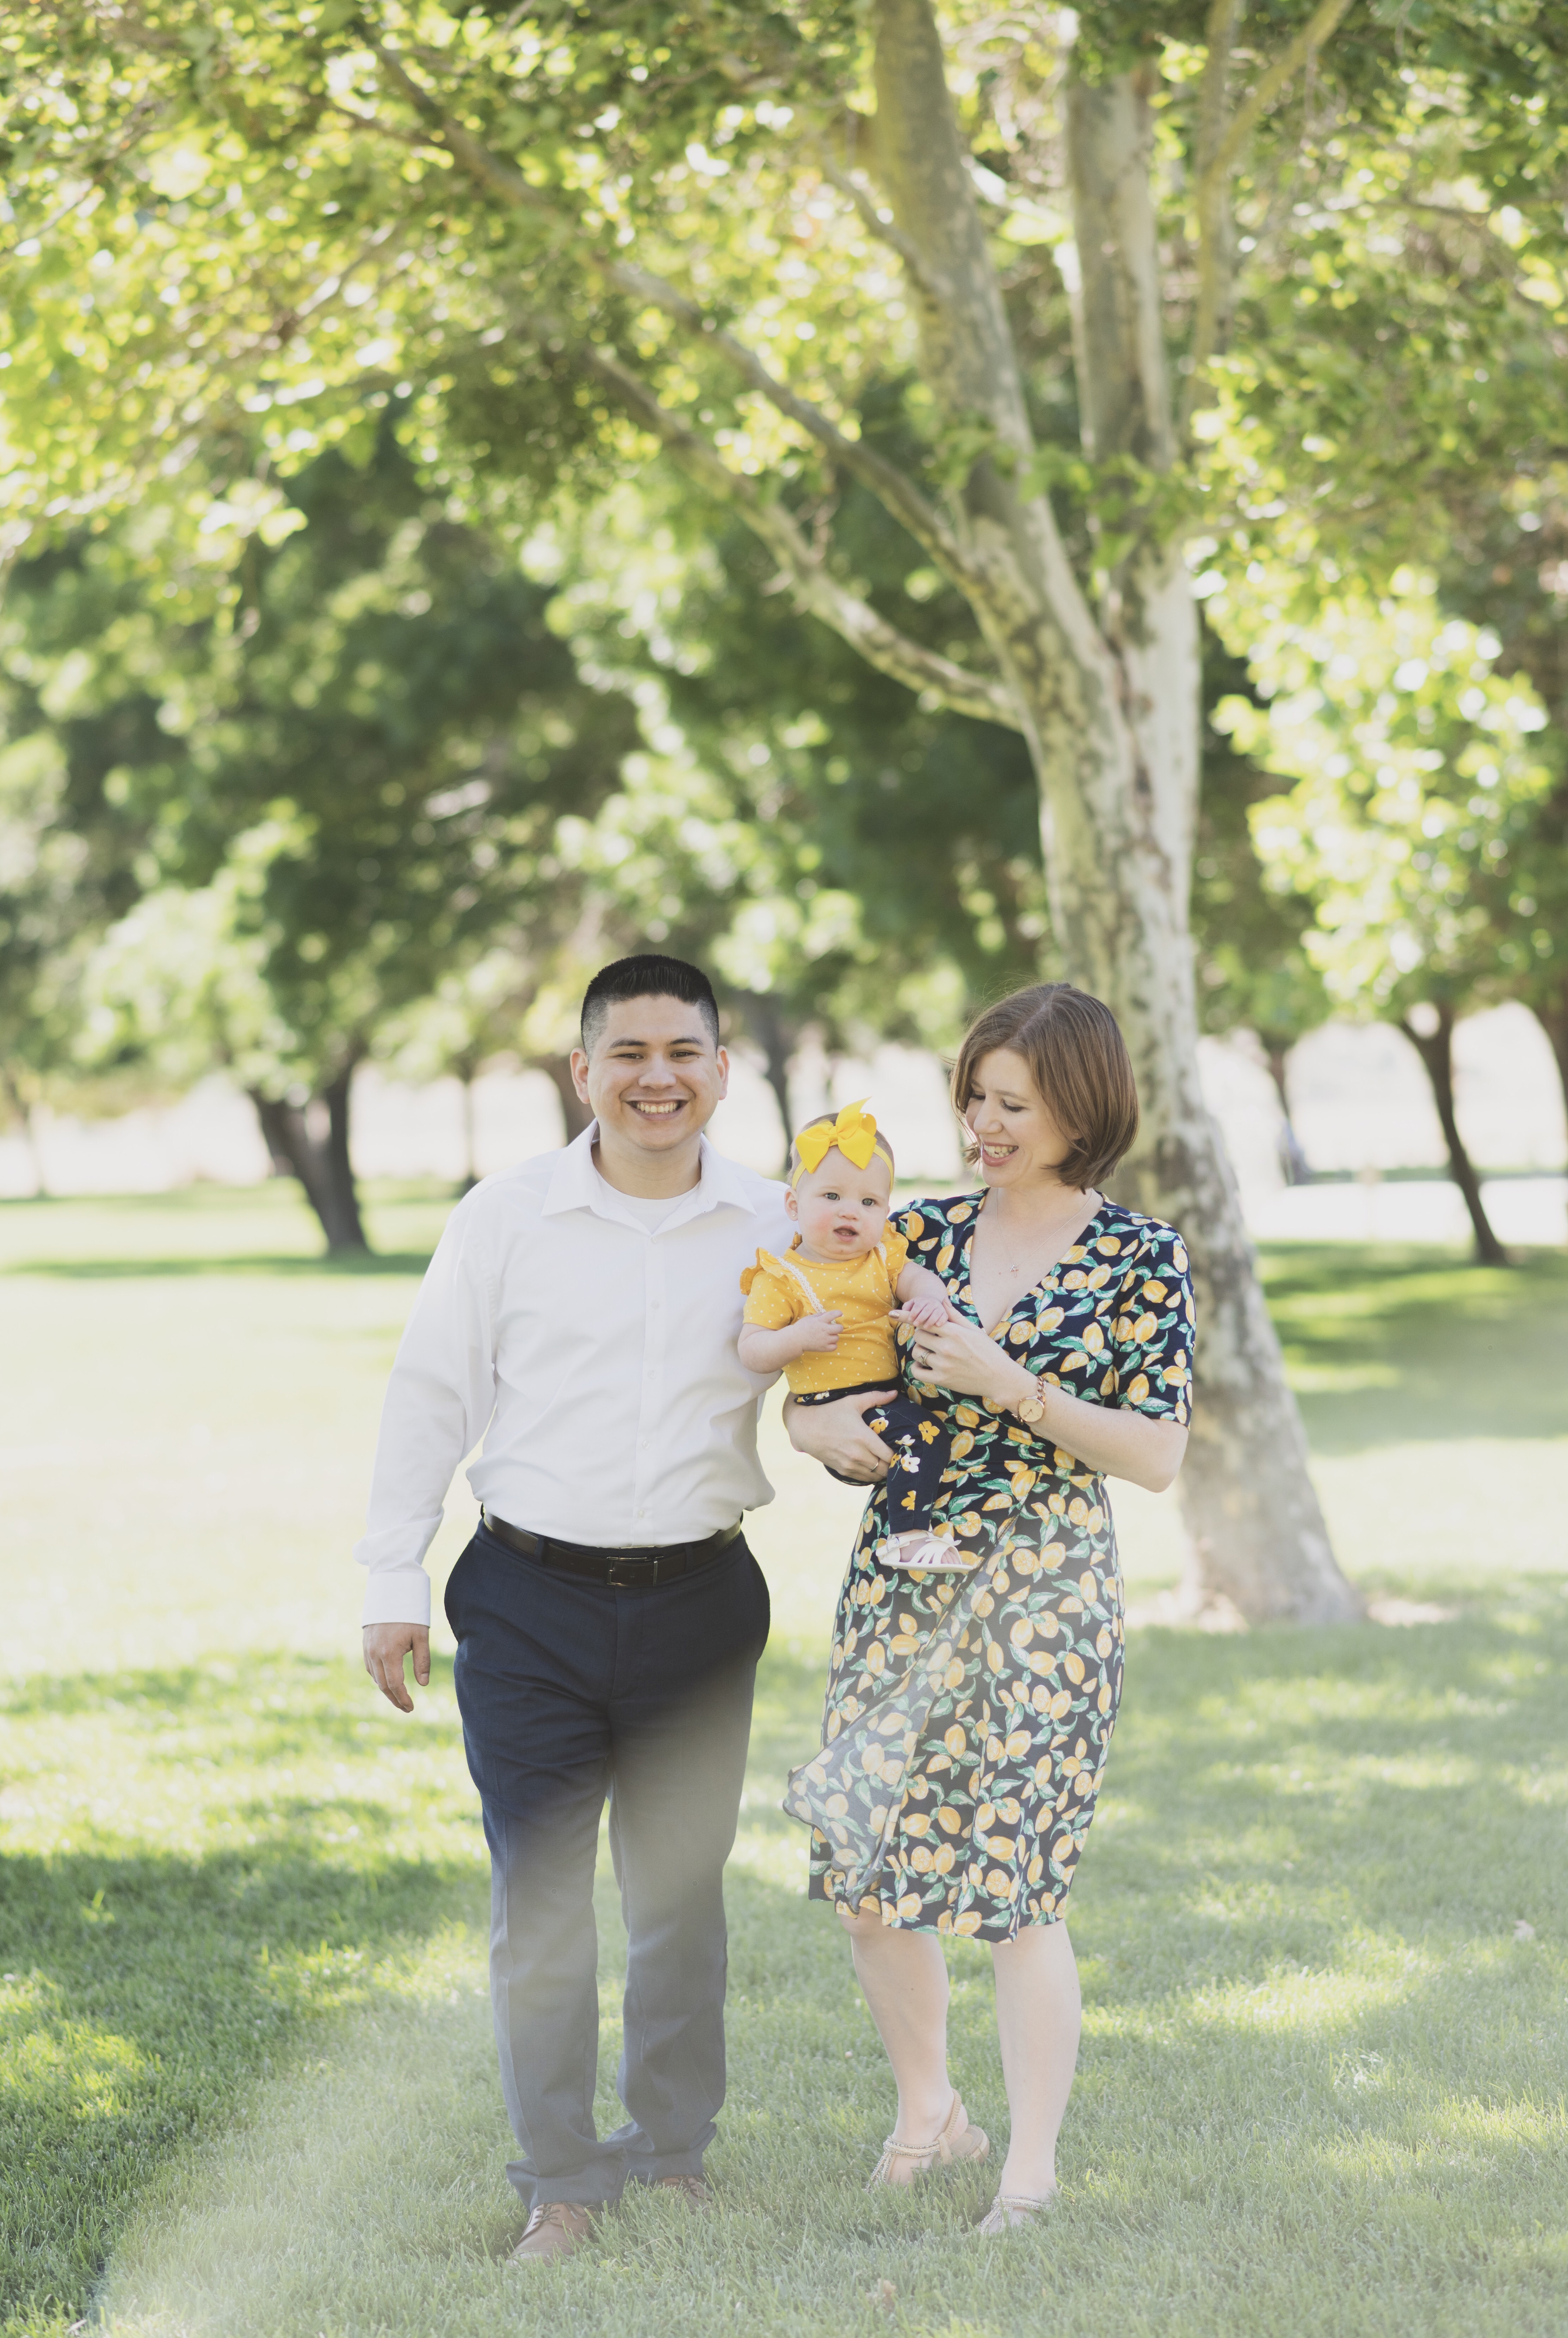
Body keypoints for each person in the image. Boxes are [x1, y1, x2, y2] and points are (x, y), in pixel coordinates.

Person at [357, 953, 791, 2263]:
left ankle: (670, 2158)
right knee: (538, 1899)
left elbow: (846, 1367)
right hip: (527, 1600)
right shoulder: (507, 1215)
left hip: (701, 1603)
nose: (656, 1077)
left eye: (682, 1053)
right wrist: (391, 1582)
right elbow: (428, 1395)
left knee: (678, 1900)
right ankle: (559, 2177)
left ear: (720, 1068)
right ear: (582, 1070)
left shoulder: (776, 1219)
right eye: (629, 1053)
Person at [783, 983, 1195, 2235]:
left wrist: (1014, 1386)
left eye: (1010, 1101)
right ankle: (930, 2111)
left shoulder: (1138, 1254)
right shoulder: (912, 1234)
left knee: (1015, 1890)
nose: (982, 1121)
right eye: (972, 1095)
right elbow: (817, 1371)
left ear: (1080, 1105)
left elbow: (1158, 1452)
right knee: (863, 1870)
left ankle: (1028, 2172)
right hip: (900, 1585)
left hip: (1043, 1598)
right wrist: (813, 1427)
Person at [736, 1101, 962, 1569]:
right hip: (830, 1403)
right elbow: (753, 1350)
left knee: (922, 1441)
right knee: (927, 1437)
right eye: (831, 1197)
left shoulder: (882, 1258)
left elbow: (918, 1279)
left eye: (868, 1202)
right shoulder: (780, 1278)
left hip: (884, 1398)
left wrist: (928, 1299)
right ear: (793, 1205)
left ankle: (909, 1531)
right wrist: (796, 1337)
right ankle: (908, 1540)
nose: (851, 1213)